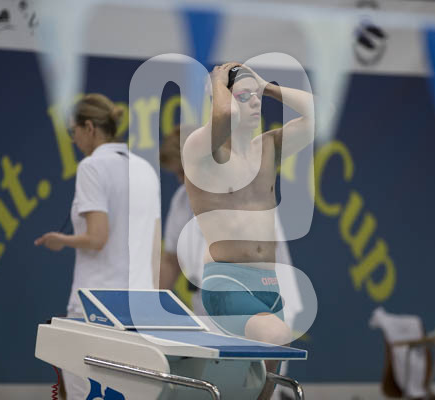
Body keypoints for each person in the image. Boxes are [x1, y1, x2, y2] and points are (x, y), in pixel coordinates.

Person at [182, 62, 314, 400]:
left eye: (257, 98)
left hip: (269, 285)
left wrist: (265, 86)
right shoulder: (201, 150)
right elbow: (224, 116)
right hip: (227, 283)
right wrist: (218, 79)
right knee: (276, 336)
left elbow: (316, 115)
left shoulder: (266, 148)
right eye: (244, 97)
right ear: (222, 99)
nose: (255, 103)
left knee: (258, 383)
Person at [160, 126, 305, 400]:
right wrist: (152, 301)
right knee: (215, 387)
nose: (181, 180)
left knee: (253, 384)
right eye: (177, 174)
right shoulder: (181, 200)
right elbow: (170, 259)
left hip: (256, 297)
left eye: (182, 171)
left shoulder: (245, 189)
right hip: (211, 303)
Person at [34, 93, 161, 400]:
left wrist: (59, 240)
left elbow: (97, 237)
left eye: (74, 131)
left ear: (89, 127)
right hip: (141, 307)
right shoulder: (145, 169)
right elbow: (155, 244)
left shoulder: (92, 167)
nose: (74, 139)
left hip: (94, 306)